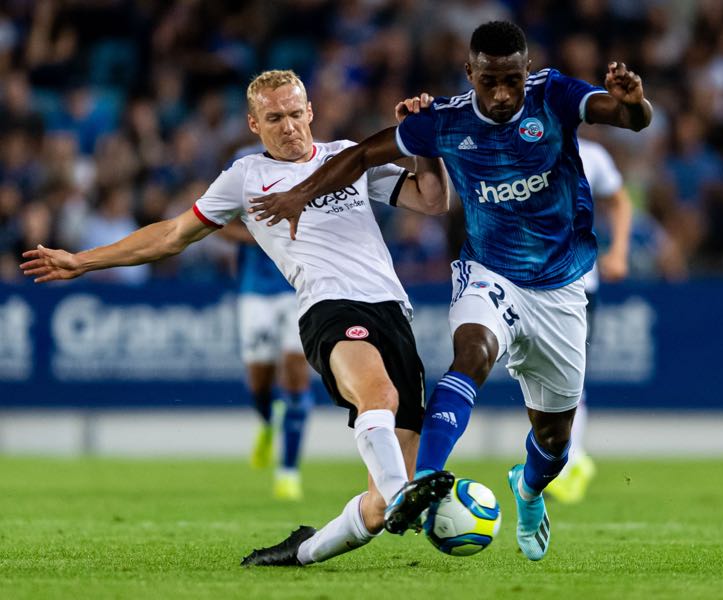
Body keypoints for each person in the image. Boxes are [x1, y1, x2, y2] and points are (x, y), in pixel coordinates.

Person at [248, 21, 652, 561]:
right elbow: (360, 155)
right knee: (472, 353)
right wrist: (302, 194)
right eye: (491, 81)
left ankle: (528, 490)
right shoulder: (446, 120)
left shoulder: (553, 94)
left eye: (513, 79)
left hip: (561, 286)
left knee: (554, 440)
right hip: (490, 271)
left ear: (527, 71)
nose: (504, 93)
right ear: (471, 74)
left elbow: (623, 115)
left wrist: (635, 106)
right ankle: (425, 479)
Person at [20, 69, 455, 566]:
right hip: (329, 308)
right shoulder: (245, 178)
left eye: (295, 114)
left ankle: (303, 550)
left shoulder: (345, 157)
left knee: (378, 505)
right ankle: (404, 496)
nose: (289, 126)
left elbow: (433, 200)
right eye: (275, 118)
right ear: (254, 124)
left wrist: (425, 141)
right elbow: (171, 235)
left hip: (393, 312)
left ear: (310, 111)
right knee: (379, 395)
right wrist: (83, 260)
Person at [221, 142, 315, 501]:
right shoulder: (243, 161)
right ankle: (266, 420)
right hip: (254, 290)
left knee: (294, 371)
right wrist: (261, 236)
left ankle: (289, 471)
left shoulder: (310, 159)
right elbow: (219, 223)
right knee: (258, 383)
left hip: (297, 287)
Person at [545, 136, 633, 504]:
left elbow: (619, 200)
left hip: (579, 283)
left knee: (569, 379)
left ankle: (566, 464)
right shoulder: (514, 145)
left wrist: (619, 252)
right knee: (541, 378)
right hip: (525, 282)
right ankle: (569, 459)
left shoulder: (592, 155)